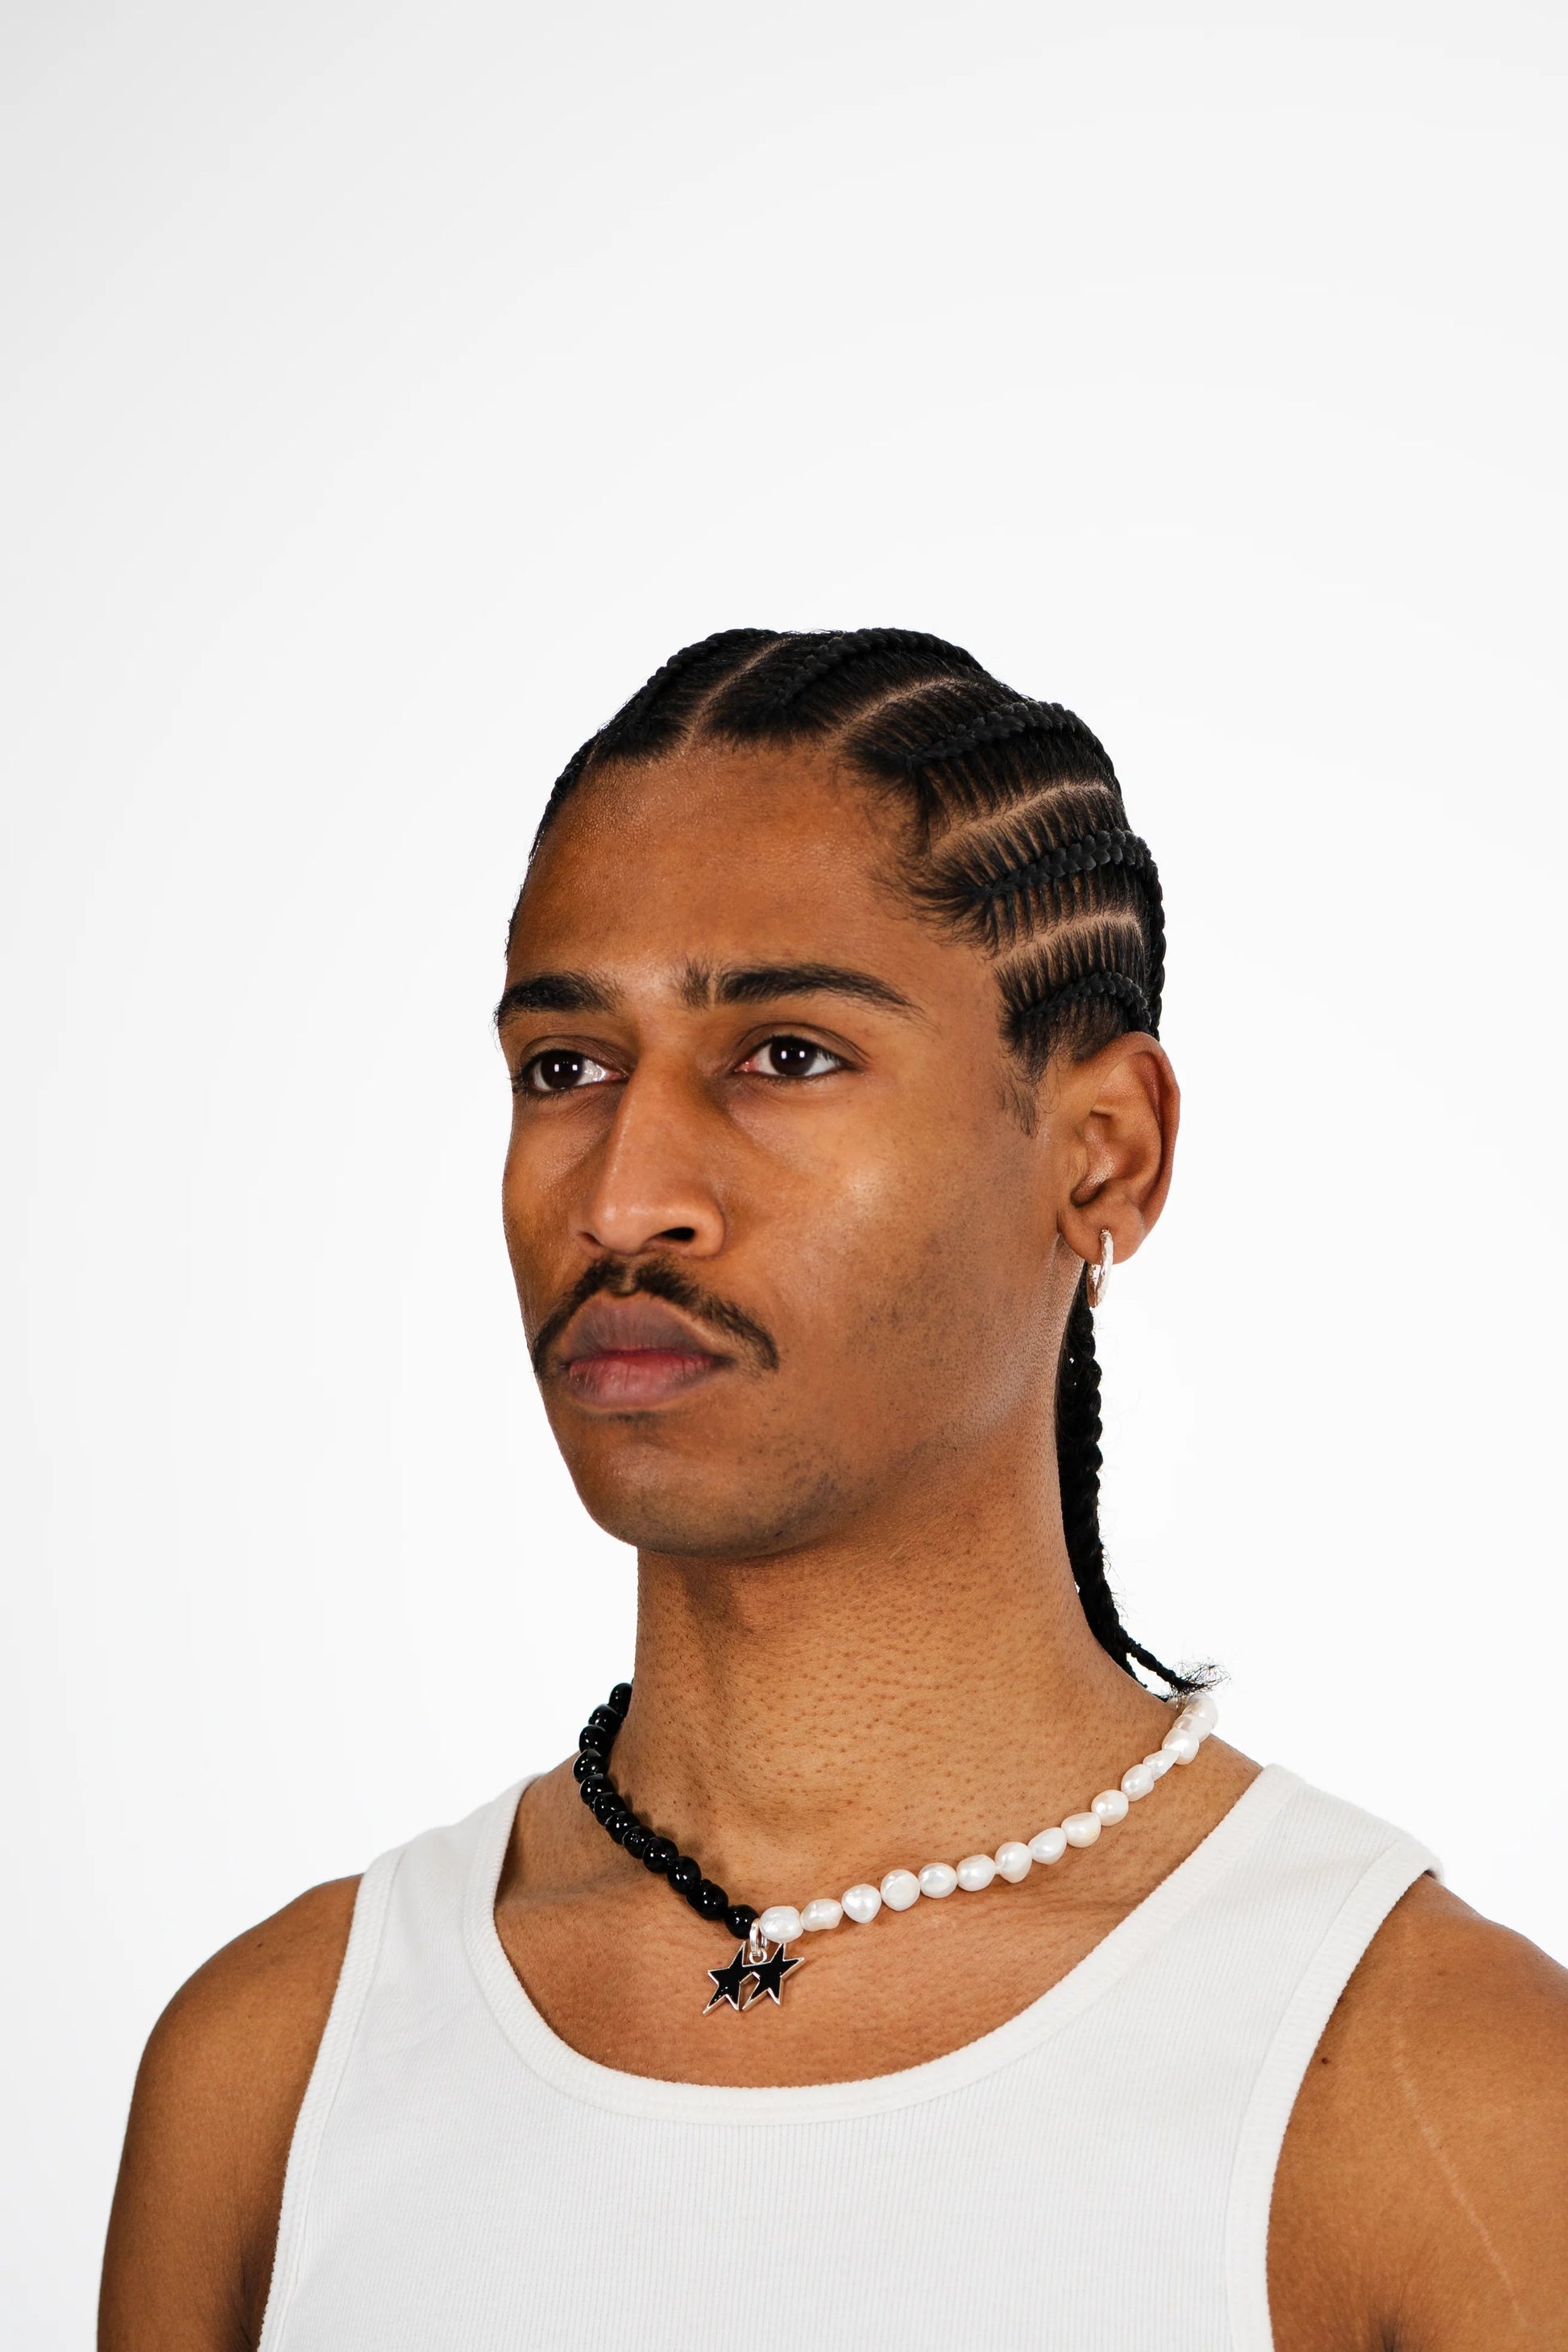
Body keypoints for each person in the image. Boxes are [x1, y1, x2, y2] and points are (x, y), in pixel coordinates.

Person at [101, 629, 1568, 2350]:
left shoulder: (1438, 2091)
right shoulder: (278, 2067)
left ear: (1104, 1152)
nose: (624, 1197)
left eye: (785, 1054)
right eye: (565, 1065)